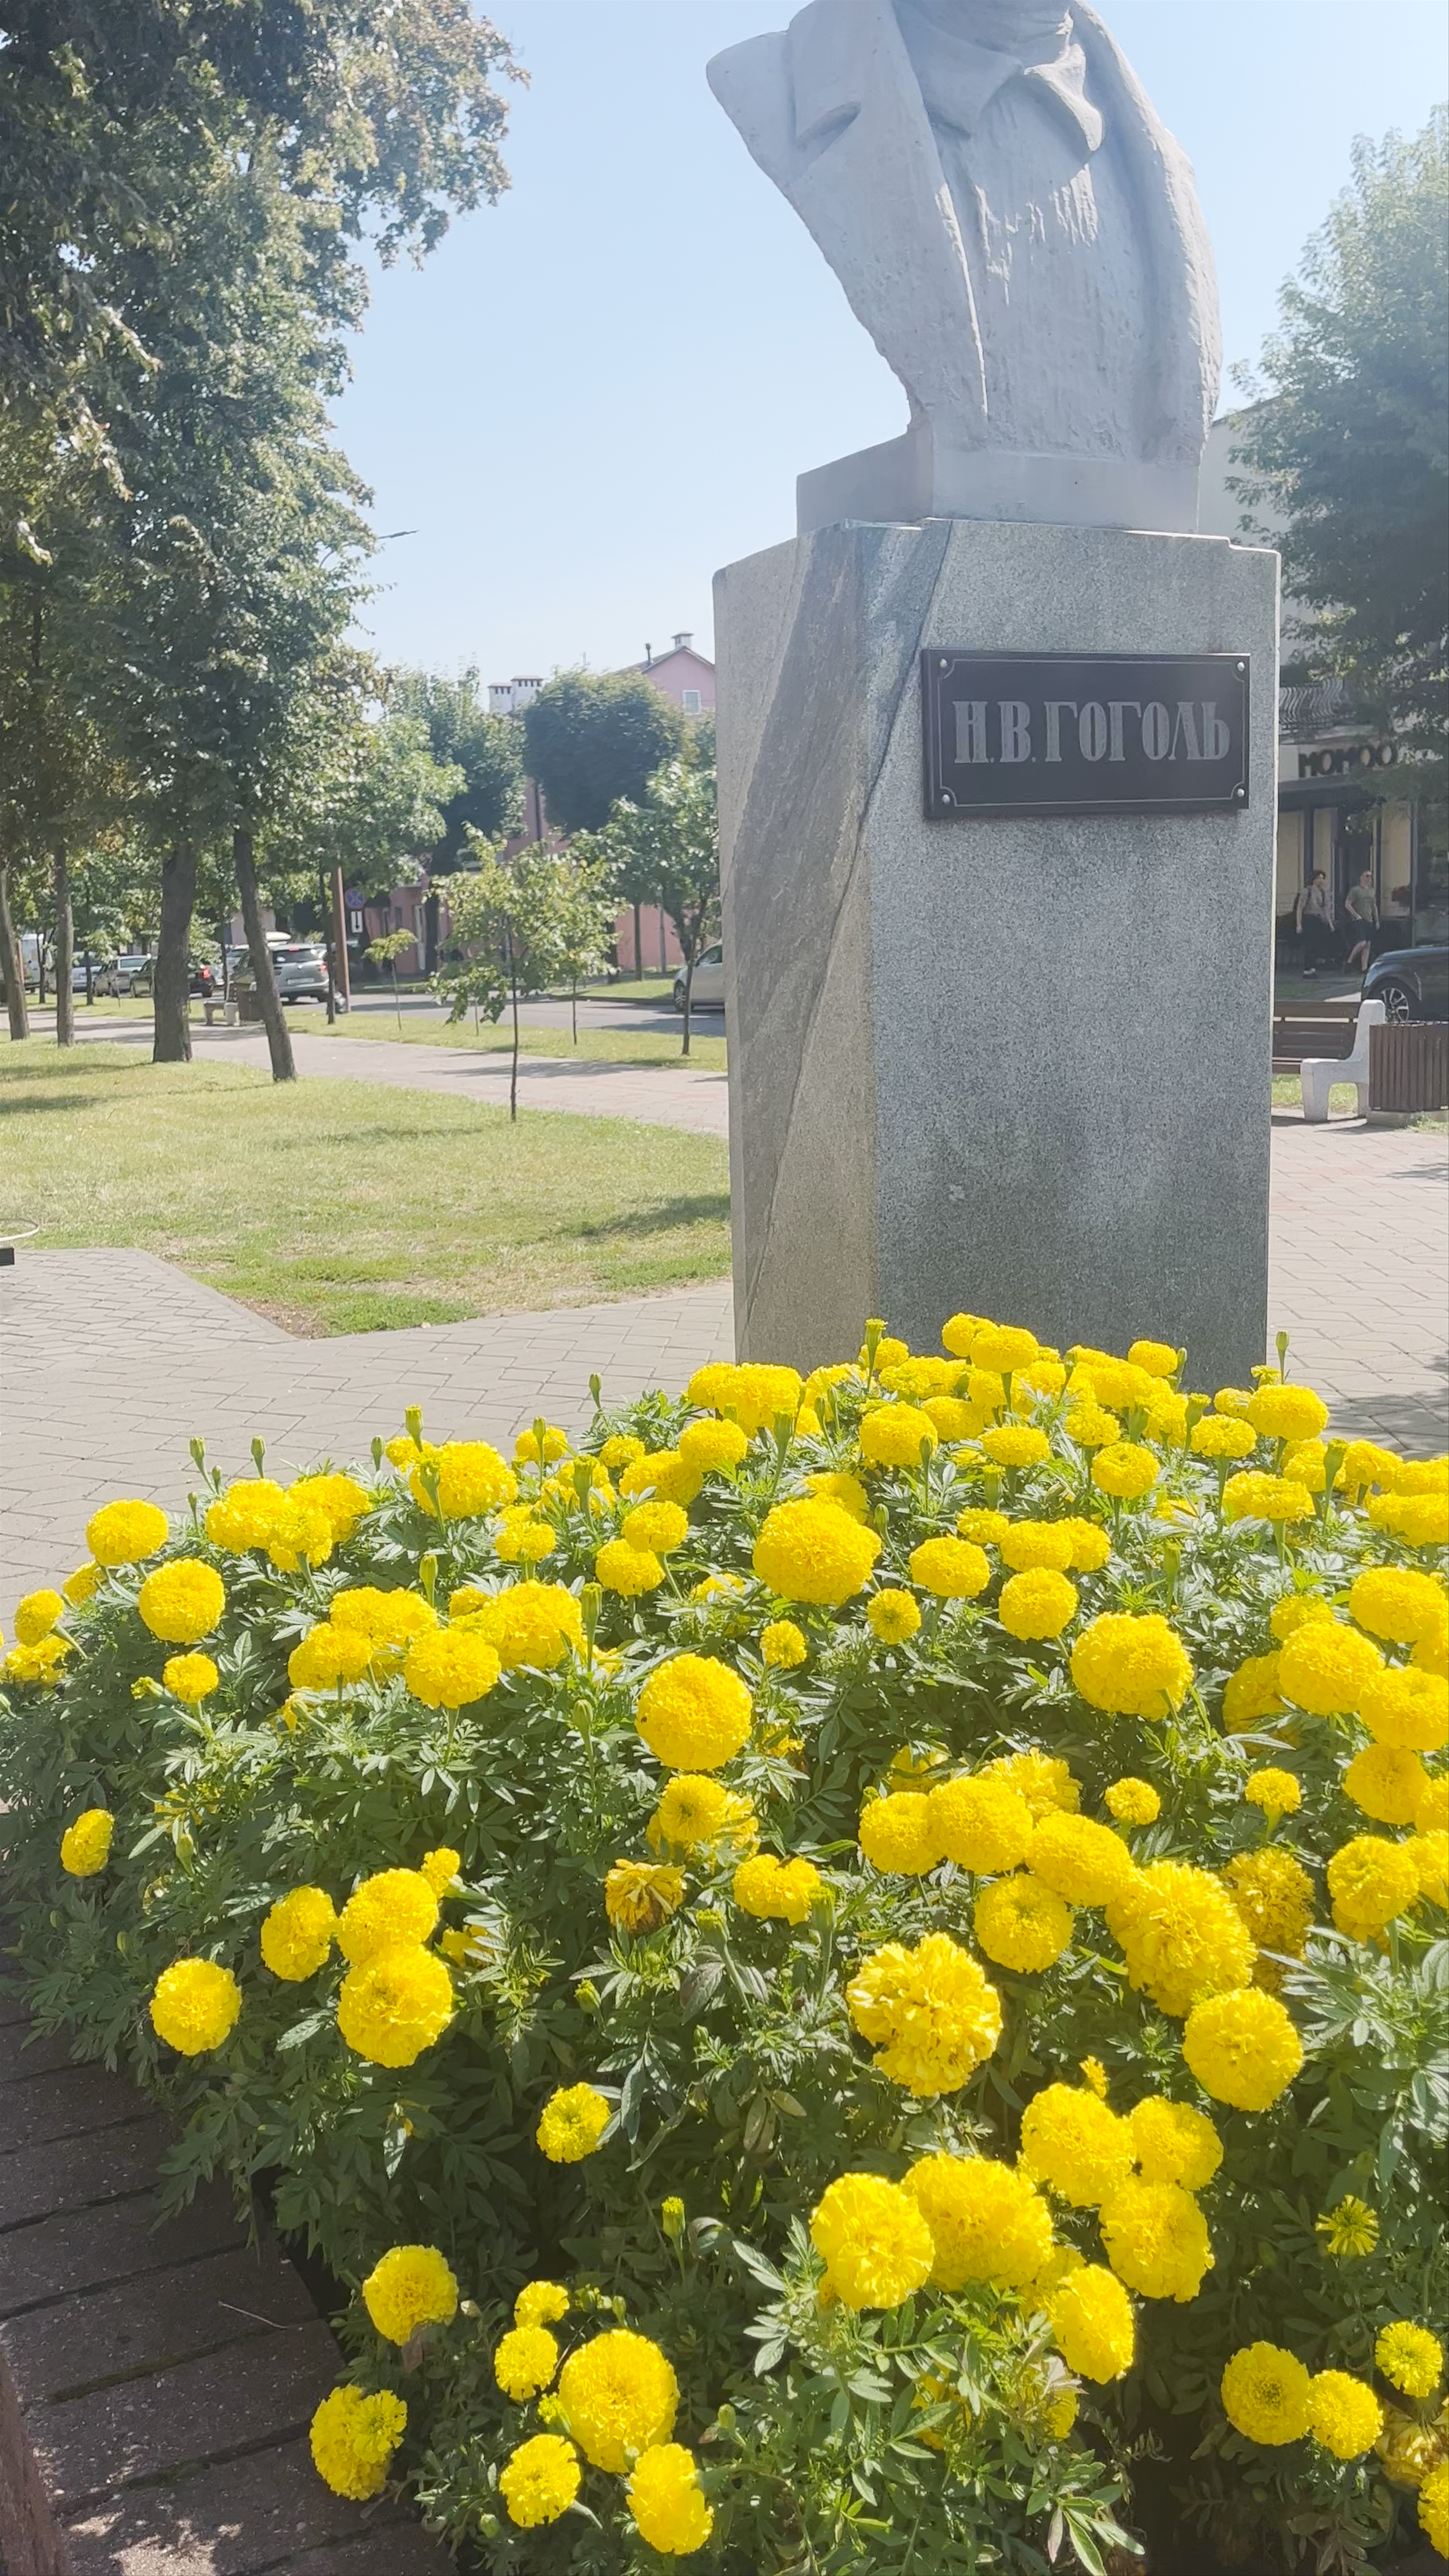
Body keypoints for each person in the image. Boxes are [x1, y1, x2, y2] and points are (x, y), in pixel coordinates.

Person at [1295, 870, 1334, 976]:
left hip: (1318, 919)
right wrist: (1299, 924)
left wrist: (1330, 923)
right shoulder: (1307, 891)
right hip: (1309, 918)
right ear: (1314, 879)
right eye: (1319, 878)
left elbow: (1326, 908)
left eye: (1323, 878)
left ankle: (1314, 967)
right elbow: (1300, 908)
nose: (1321, 881)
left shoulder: (1323, 892)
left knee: (1317, 944)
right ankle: (1308, 969)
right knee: (1310, 945)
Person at [1342, 867, 1378, 975]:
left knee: (1367, 944)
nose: (1369, 878)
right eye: (1367, 876)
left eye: (1371, 877)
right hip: (1359, 920)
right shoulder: (1356, 890)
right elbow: (1347, 904)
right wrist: (1356, 915)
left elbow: (1374, 906)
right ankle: (1349, 961)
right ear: (1362, 878)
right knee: (1362, 943)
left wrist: (1377, 920)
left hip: (1369, 919)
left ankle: (1364, 968)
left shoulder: (1372, 891)